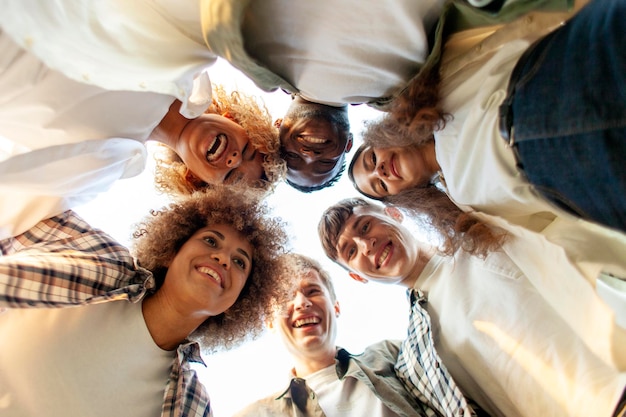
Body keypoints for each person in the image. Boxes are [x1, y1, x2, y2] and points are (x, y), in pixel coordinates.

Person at [318, 197, 626, 417]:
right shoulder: (414, 360)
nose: (366, 244)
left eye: (365, 226)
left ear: (394, 213)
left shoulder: (483, 235)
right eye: (351, 251)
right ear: (358, 276)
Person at [0, 185, 291, 417]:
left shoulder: (191, 406)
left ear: (239, 300)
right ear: (174, 249)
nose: (223, 258)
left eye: (240, 262)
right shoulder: (97, 256)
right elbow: (15, 199)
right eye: (211, 241)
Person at [0, 5, 284, 240]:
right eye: (247, 150)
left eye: (232, 178)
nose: (235, 159)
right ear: (233, 120)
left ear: (195, 180)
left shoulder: (104, 165)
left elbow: (12, 201)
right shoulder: (191, 50)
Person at [349, 0, 626, 233]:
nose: (381, 171)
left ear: (383, 136)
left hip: (559, 71)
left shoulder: (439, 88)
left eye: (372, 159)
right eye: (380, 184)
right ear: (405, 195)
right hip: (575, 172)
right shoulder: (467, 206)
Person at [234, 253, 477, 417]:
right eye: (286, 296)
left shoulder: (393, 355)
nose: (302, 303)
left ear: (336, 307)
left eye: (313, 291)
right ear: (269, 321)